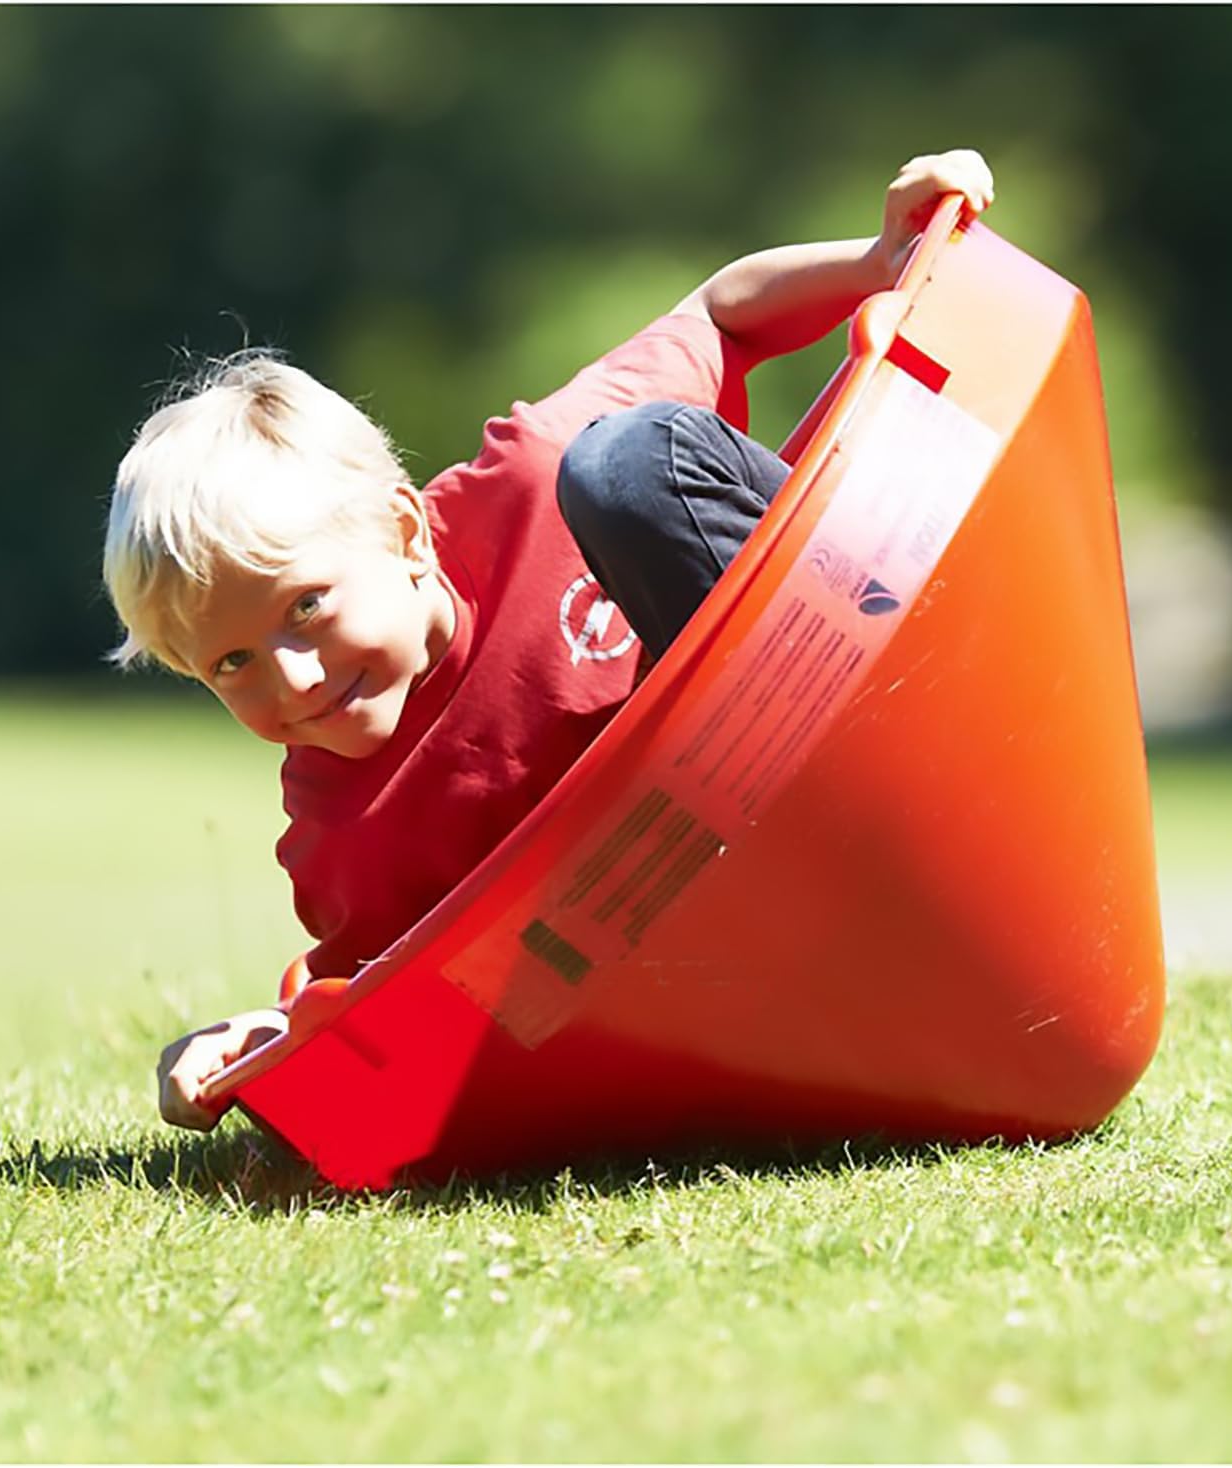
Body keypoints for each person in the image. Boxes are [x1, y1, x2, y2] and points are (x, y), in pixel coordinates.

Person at [103, 149, 995, 1131]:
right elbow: (386, 1018)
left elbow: (720, 310)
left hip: (863, 725)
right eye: (230, 664)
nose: (295, 677)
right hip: (749, 920)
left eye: (307, 607)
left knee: (628, 466)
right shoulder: (346, 833)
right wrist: (251, 1051)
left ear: (405, 534)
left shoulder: (531, 476)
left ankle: (890, 751)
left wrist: (880, 259)